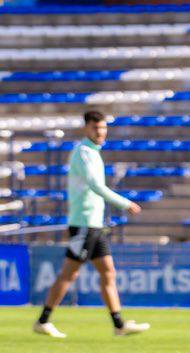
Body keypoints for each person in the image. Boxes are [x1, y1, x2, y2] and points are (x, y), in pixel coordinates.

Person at [33, 110, 149, 338]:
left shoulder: (94, 153)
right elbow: (96, 185)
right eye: (97, 128)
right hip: (83, 223)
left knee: (108, 272)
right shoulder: (83, 152)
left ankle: (118, 325)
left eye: (104, 129)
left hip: (95, 224)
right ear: (86, 128)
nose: (101, 133)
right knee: (69, 273)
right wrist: (124, 203)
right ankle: (43, 320)